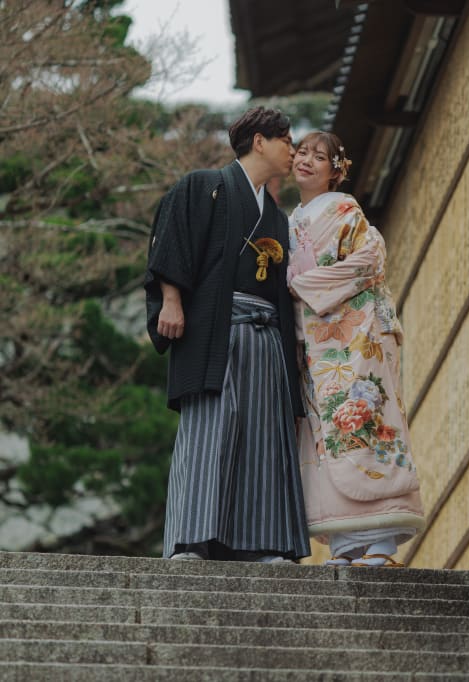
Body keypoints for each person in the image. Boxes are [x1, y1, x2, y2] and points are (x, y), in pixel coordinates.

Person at [145, 106, 310, 563]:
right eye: (285, 140)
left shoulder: (277, 218)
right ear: (259, 141)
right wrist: (172, 301)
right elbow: (170, 243)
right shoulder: (203, 187)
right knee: (209, 434)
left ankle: (261, 543)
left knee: (263, 437)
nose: (292, 150)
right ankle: (191, 541)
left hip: (266, 338)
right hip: (214, 332)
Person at [287, 131, 424, 567]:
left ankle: (382, 544)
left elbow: (371, 260)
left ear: (335, 169)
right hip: (317, 341)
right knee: (326, 434)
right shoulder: (292, 218)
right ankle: (347, 545)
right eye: (303, 152)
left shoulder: (346, 210)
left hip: (357, 334)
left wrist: (304, 286)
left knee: (366, 423)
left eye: (320, 156)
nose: (307, 161)